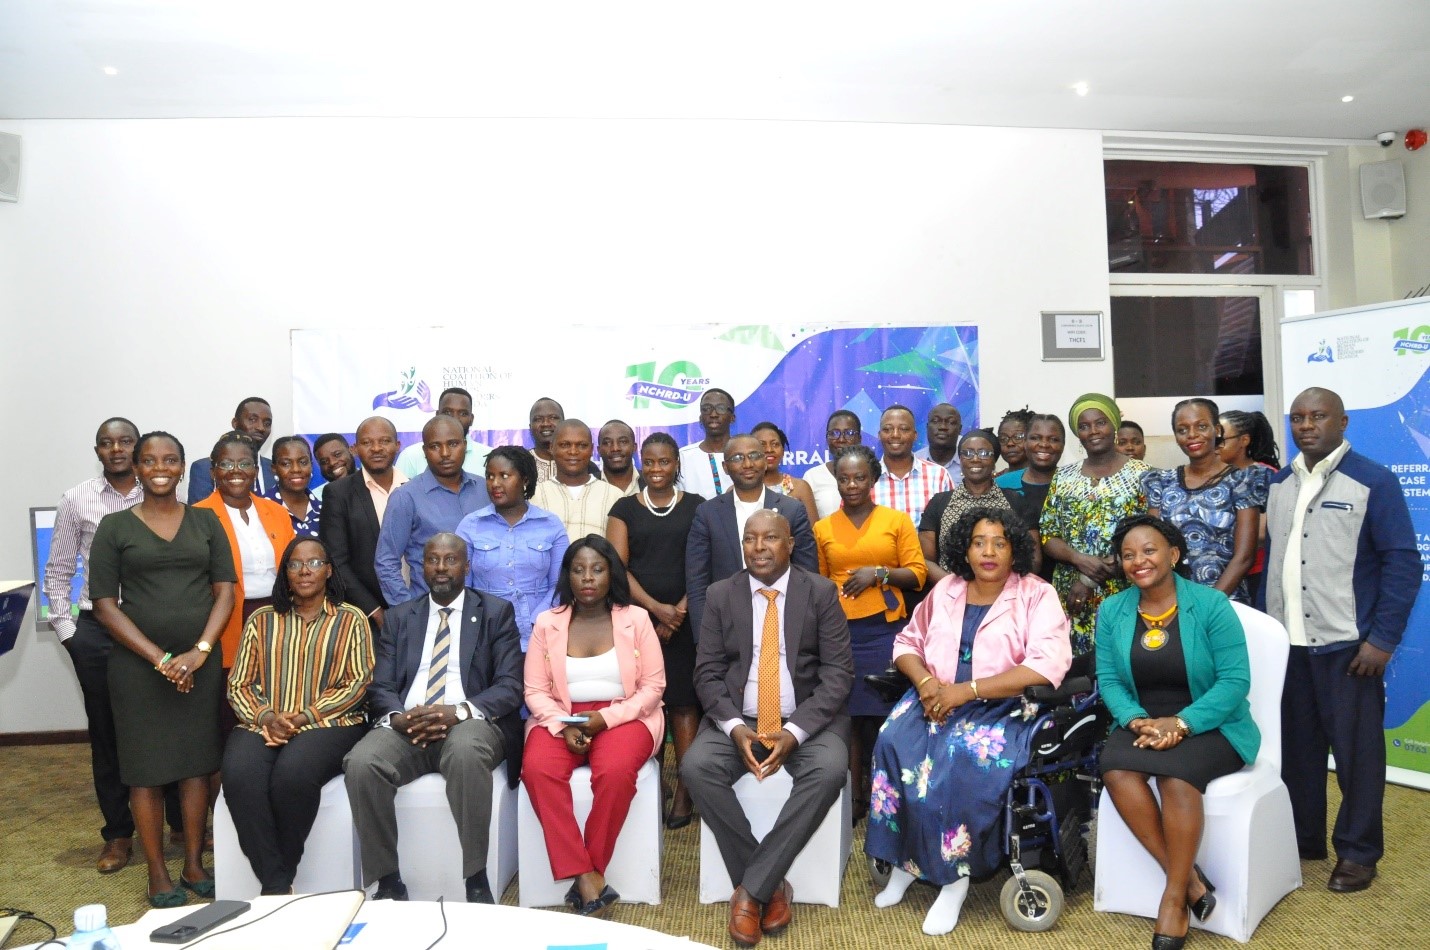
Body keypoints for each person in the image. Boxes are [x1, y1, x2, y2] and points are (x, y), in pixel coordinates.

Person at [868, 507, 1071, 935]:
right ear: (966, 548)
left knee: (957, 758)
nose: (989, 551)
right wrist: (924, 682)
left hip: (1001, 705)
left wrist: (968, 690)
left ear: (1014, 549)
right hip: (935, 695)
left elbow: (1046, 666)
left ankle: (954, 879)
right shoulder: (947, 590)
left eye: (1000, 542)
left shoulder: (1036, 594)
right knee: (892, 741)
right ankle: (906, 862)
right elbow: (907, 641)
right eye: (979, 542)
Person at [1263, 387, 1419, 893]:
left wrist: (1383, 641)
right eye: (1298, 417)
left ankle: (1357, 852)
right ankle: (1305, 839)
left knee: (1357, 757)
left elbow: (1402, 562)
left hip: (1349, 647)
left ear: (1343, 421)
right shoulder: (1281, 483)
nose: (1306, 425)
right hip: (1291, 647)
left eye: (1318, 416)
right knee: (1299, 753)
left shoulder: (1373, 480)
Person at [683, 510, 853, 948]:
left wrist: (795, 732)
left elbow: (838, 674)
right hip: (743, 719)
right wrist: (736, 728)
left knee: (830, 770)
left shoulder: (819, 592)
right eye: (750, 539)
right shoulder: (722, 594)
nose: (759, 548)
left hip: (806, 721)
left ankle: (751, 890)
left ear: (791, 544)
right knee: (696, 766)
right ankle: (770, 886)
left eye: (770, 539)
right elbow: (707, 673)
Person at [1097, 515, 1259, 950]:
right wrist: (1135, 720)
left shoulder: (1210, 605)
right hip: (1143, 719)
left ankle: (1173, 899)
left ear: (1173, 554)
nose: (1138, 561)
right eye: (1128, 555)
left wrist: (1183, 723)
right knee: (1115, 768)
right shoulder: (1111, 610)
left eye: (1149, 551)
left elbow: (1234, 681)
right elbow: (1109, 680)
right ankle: (1189, 880)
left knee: (1176, 775)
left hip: (1212, 722)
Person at [89, 431, 237, 907]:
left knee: (197, 767)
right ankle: (156, 871)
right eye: (149, 459)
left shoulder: (206, 520)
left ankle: (194, 861)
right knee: (146, 772)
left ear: (181, 468)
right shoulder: (115, 527)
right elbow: (105, 606)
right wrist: (161, 659)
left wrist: (200, 651)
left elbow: (226, 591)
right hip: (138, 670)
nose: (159, 467)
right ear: (135, 465)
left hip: (199, 664)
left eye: (170, 460)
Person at [343, 533, 524, 904]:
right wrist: (397, 717)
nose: (441, 568)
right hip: (408, 723)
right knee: (362, 762)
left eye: (450, 560)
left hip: (468, 721)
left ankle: (476, 879)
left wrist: (457, 712)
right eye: (432, 560)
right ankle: (389, 881)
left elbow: (509, 685)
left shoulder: (494, 612)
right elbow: (381, 685)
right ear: (420, 567)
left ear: (466, 566)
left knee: (466, 753)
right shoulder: (398, 618)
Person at [44, 417, 181, 873]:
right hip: (99, 631)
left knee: (167, 726)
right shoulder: (76, 499)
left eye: (126, 442)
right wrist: (70, 634)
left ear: (139, 449)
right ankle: (119, 835)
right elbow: (58, 570)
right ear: (98, 450)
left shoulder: (161, 490)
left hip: (155, 626)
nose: (117, 449)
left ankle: (180, 826)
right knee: (108, 735)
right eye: (107, 443)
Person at [522, 537, 667, 916]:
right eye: (578, 569)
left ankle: (589, 872)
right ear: (567, 575)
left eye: (598, 569)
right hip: (560, 714)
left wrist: (606, 718)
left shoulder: (635, 619)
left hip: (626, 714)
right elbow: (535, 690)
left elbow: (654, 687)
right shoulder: (547, 623)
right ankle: (586, 875)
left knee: (616, 772)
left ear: (611, 574)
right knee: (537, 770)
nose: (588, 578)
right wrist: (560, 725)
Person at [223, 536, 374, 895]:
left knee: (292, 774)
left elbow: (358, 683)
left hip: (330, 723)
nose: (305, 571)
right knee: (239, 774)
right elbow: (239, 683)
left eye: (314, 563)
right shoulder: (262, 620)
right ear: (285, 573)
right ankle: (277, 883)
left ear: (329, 570)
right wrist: (267, 718)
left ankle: (276, 879)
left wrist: (303, 717)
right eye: (295, 564)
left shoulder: (351, 619)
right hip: (264, 721)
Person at [813, 444, 926, 816]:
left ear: (873, 479)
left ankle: (886, 793)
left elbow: (918, 574)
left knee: (881, 715)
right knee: (846, 715)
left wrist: (878, 574)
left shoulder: (896, 521)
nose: (851, 485)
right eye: (844, 478)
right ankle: (854, 796)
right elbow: (818, 580)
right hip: (839, 633)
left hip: (884, 632)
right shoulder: (823, 527)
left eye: (860, 477)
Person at [607, 432, 706, 828]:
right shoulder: (624, 508)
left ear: (676, 465)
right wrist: (656, 611)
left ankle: (685, 791)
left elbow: (702, 564)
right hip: (638, 623)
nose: (656, 469)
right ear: (640, 464)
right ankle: (652, 790)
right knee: (645, 706)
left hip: (687, 621)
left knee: (684, 705)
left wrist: (678, 611)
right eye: (649, 462)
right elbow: (617, 567)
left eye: (664, 462)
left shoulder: (698, 507)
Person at [192, 432, 296, 738]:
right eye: (226, 463)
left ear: (255, 470)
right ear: (213, 471)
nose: (236, 470)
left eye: (244, 463)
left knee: (279, 696)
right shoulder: (197, 515)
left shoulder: (276, 511)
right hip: (228, 619)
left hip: (278, 617)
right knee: (232, 707)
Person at [1040, 393, 1151, 654]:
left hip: (1125, 589)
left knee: (1123, 661)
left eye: (1100, 423)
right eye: (1084, 426)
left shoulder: (1144, 475)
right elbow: (1048, 534)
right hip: (1070, 596)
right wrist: (1079, 559)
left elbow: (1151, 537)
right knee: (1073, 670)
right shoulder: (1063, 477)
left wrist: (1089, 579)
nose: (1093, 431)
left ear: (1114, 425)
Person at [685, 433, 818, 643]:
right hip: (726, 627)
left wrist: (806, 629)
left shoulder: (792, 510)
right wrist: (705, 639)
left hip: (785, 623)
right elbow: (697, 581)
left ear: (765, 461)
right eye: (737, 458)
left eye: (755, 455)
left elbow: (808, 574)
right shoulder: (707, 513)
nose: (747, 464)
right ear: (725, 467)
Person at [1144, 398, 1262, 602]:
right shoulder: (1162, 482)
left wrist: (1208, 604)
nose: (1192, 435)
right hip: (1173, 602)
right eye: (1182, 430)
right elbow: (1154, 547)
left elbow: (1244, 558)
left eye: (1201, 426)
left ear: (1217, 430)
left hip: (1225, 602)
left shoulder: (1242, 481)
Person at [455, 445, 569, 651]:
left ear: (525, 480)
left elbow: (560, 584)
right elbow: (463, 587)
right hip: (484, 636)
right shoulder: (470, 525)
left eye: (504, 476)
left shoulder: (550, 524)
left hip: (540, 635)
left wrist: (538, 621)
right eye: (490, 476)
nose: (495, 484)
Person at [375, 414, 490, 606]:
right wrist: (407, 611)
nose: (445, 453)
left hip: (485, 611)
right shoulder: (406, 497)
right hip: (431, 613)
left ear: (464, 445)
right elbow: (386, 562)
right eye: (435, 446)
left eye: (453, 444)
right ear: (425, 451)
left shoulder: (486, 490)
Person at [320, 416, 409, 630]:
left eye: (385, 441)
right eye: (367, 443)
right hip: (367, 618)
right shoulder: (338, 494)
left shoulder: (415, 490)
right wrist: (374, 611)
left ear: (397, 446)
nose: (376, 448)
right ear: (355, 449)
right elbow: (336, 561)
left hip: (418, 608)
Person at [919, 430, 1016, 585]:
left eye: (984, 453)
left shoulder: (1015, 501)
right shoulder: (939, 502)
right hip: (950, 596)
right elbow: (925, 560)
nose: (975, 459)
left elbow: (1031, 558)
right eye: (968, 453)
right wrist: (957, 587)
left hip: (1005, 593)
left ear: (994, 459)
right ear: (961, 459)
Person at [1217, 410, 1279, 604]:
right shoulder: (1214, 477)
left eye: (1221, 440)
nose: (1214, 446)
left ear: (1244, 440)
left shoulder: (1267, 475)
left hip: (1256, 574)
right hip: (1218, 573)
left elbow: (1262, 532)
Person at [995, 413, 1066, 581]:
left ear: (1063, 445)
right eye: (1035, 438)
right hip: (1015, 585)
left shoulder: (1075, 484)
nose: (1044, 444)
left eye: (1053, 439)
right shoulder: (1001, 484)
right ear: (1025, 443)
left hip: (1068, 584)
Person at [533, 420, 627, 541]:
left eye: (582, 445)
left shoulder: (615, 496)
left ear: (592, 449)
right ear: (552, 447)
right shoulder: (535, 496)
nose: (573, 451)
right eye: (565, 445)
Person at [872, 405, 954, 527]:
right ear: (879, 435)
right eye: (887, 429)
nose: (895, 435)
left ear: (915, 435)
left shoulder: (938, 476)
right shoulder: (867, 478)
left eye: (904, 429)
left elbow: (951, 526)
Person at [187, 397, 275, 501]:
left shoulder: (275, 469)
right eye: (252, 420)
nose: (261, 428)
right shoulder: (204, 468)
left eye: (267, 423)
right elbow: (199, 515)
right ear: (235, 423)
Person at [396, 387, 494, 479]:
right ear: (437, 415)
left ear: (471, 419)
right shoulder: (410, 456)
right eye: (447, 412)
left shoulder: (489, 456)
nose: (455, 418)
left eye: (463, 413)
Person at [752, 421, 818, 527]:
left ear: (783, 451)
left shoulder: (800, 488)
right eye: (762, 445)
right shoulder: (741, 490)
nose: (769, 449)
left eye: (775, 444)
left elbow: (813, 534)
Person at [802, 410, 863, 520]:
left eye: (849, 433)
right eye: (834, 433)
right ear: (827, 438)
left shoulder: (873, 473)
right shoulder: (812, 477)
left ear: (859, 438)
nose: (841, 439)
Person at [681, 388, 738, 499]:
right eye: (706, 409)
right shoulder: (683, 457)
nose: (713, 414)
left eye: (720, 408)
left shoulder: (745, 455)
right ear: (700, 418)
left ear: (732, 418)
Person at [266, 436, 322, 539]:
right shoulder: (261, 509)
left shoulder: (324, 509)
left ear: (311, 465)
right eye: (286, 464)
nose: (296, 469)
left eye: (303, 462)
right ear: (274, 469)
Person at [913, 402, 963, 479]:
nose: (943, 427)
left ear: (959, 429)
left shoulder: (968, 463)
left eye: (951, 422)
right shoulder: (914, 463)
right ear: (927, 427)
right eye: (936, 421)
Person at [597, 419, 641, 497]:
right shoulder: (586, 487)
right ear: (599, 450)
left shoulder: (650, 483)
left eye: (623, 442)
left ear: (634, 448)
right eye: (607, 443)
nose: (615, 448)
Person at [529, 397, 565, 484]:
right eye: (538, 419)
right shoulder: (519, 464)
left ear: (564, 423)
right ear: (530, 427)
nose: (546, 423)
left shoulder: (580, 465)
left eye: (553, 418)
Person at [312, 433, 354, 499]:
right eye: (324, 462)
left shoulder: (372, 484)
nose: (332, 463)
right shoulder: (316, 499)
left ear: (351, 450)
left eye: (337, 454)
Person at [995, 407, 1034, 476]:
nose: (1010, 443)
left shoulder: (1048, 478)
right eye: (1003, 439)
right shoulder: (994, 481)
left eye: (1018, 437)